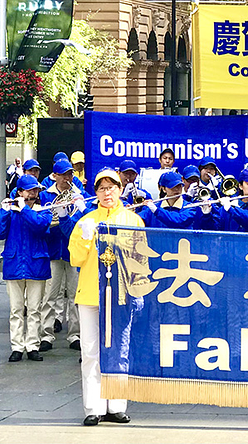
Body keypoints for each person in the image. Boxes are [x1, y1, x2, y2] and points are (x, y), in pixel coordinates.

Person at [69, 169, 144, 426]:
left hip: (120, 295)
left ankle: (117, 405)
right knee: (90, 351)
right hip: (91, 294)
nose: (107, 192)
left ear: (120, 190)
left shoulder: (132, 220)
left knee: (120, 350)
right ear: (96, 192)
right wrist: (86, 238)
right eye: (102, 188)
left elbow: (140, 258)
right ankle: (94, 407)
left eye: (112, 187)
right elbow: (75, 259)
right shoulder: (86, 221)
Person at [0, 175, 52, 362]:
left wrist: (24, 209)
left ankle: (32, 345)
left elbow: (40, 227)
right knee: (16, 309)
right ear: (20, 192)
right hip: (14, 264)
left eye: (35, 190)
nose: (33, 193)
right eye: (29, 190)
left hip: (36, 264)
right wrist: (4, 211)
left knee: (34, 309)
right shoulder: (11, 211)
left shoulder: (42, 209)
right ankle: (17, 346)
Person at [40, 159, 84, 351]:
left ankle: (75, 334)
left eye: (70, 174)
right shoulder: (44, 196)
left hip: (72, 249)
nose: (68, 178)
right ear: (55, 176)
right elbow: (42, 220)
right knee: (50, 294)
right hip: (52, 248)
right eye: (64, 175)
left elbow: (82, 220)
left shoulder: (79, 195)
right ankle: (46, 335)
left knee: (75, 296)